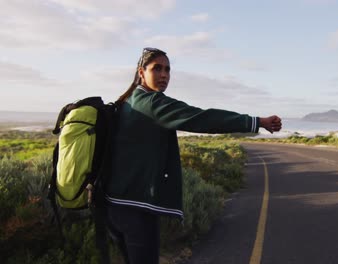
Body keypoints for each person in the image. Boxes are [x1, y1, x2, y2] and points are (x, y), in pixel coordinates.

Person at [103, 47, 282, 264]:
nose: (163, 75)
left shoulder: (128, 101)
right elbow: (201, 118)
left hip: (115, 205)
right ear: (141, 72)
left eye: (167, 70)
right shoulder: (152, 102)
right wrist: (256, 122)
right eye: (156, 68)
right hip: (137, 209)